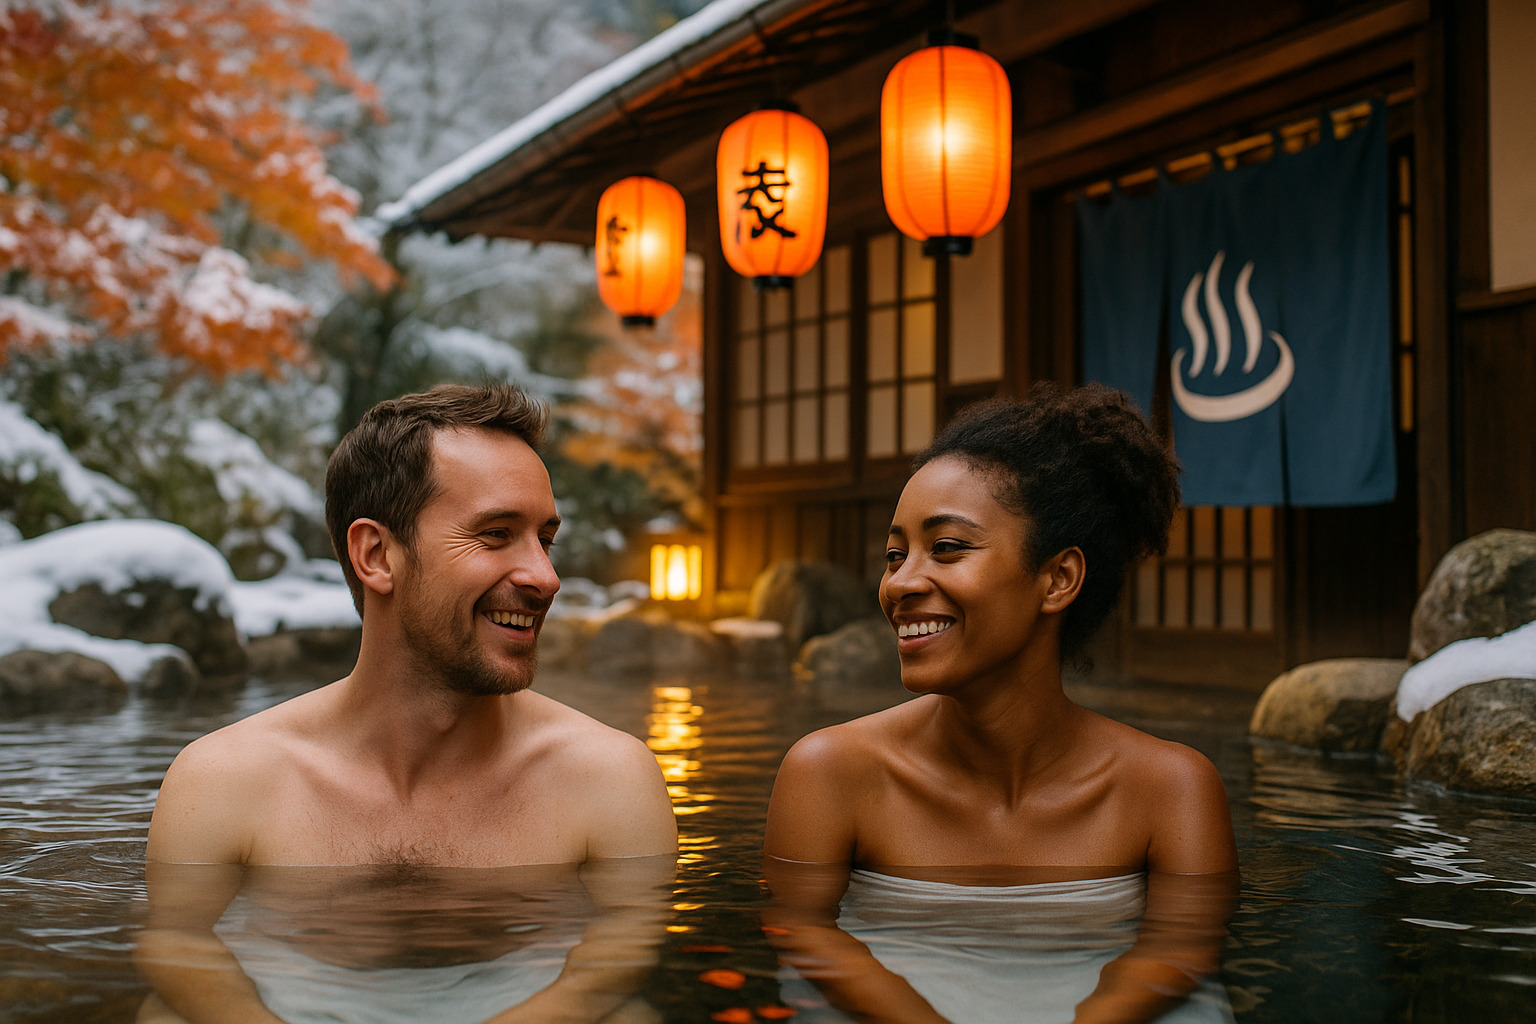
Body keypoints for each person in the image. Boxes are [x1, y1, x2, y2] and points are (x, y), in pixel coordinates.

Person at [137, 383, 676, 1023]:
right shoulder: (225, 778)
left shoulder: (608, 776)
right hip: (302, 1001)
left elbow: (620, 950)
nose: (545, 576)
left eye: (545, 539)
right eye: (497, 534)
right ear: (377, 555)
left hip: (519, 1002)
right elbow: (178, 942)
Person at [763, 383, 1238, 1024]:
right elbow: (802, 932)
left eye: (949, 547)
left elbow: (1180, 949)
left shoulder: (1170, 787)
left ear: (1058, 579)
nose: (901, 583)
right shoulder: (829, 771)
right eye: (895, 555)